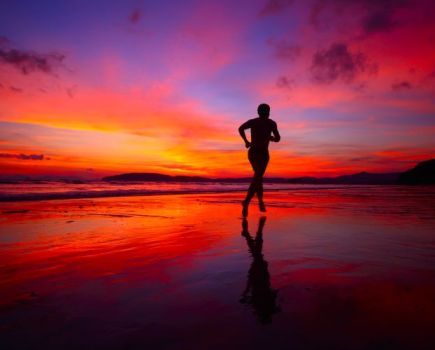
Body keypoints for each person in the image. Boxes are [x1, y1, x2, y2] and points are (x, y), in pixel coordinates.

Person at [238, 103, 280, 217]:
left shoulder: (260, 122)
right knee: (258, 177)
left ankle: (256, 201)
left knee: (258, 178)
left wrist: (246, 142)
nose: (267, 112)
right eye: (266, 110)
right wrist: (270, 138)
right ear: (266, 112)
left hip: (259, 153)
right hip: (258, 153)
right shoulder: (270, 123)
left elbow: (241, 128)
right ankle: (248, 202)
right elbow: (278, 139)